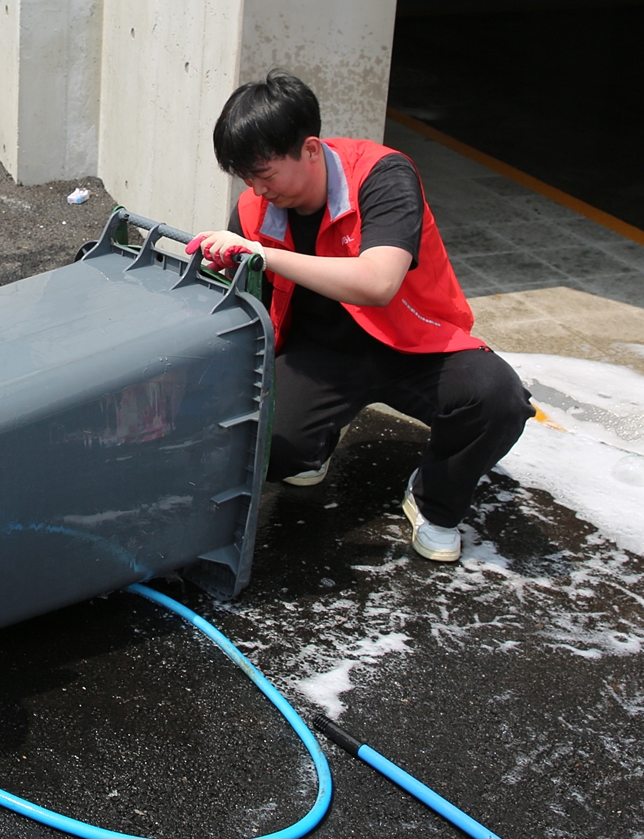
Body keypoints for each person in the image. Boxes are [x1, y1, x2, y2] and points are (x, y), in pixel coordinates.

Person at [188, 71, 533, 562]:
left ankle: (433, 496)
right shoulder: (253, 209)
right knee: (265, 447)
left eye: (264, 174)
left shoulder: (383, 175)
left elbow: (378, 283)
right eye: (245, 177)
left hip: (413, 343)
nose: (256, 189)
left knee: (498, 400)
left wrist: (264, 255)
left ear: (309, 149)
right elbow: (248, 316)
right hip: (321, 355)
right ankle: (313, 441)